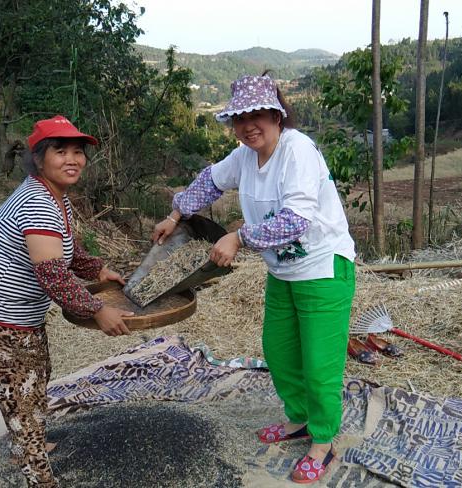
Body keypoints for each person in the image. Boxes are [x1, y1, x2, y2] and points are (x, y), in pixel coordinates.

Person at [152, 74, 356, 484]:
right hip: (283, 271)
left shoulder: (298, 151)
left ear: (278, 115)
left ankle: (323, 440)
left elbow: (298, 218)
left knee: (320, 363)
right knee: (279, 352)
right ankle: (298, 419)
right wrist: (175, 215)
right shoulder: (245, 156)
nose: (249, 126)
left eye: (258, 115)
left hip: (322, 266)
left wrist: (238, 237)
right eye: (240, 118)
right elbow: (210, 180)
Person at [0, 115, 133, 487]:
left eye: (78, 152)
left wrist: (98, 269)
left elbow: (66, 252)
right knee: (22, 394)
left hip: (19, 315)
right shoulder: (37, 203)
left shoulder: (56, 197)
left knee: (35, 380)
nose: (72, 159)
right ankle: (38, 475)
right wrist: (98, 309)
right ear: (39, 158)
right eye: (60, 151)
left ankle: (28, 442)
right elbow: (53, 276)